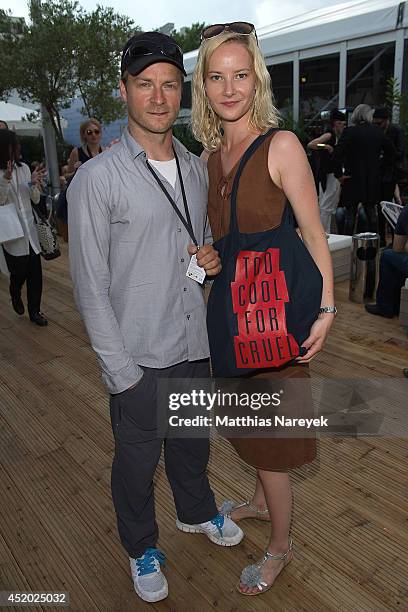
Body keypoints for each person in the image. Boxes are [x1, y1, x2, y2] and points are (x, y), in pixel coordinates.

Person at [68, 31, 243, 605]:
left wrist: (209, 258)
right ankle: (141, 544)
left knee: (193, 446)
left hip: (193, 344)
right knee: (137, 465)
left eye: (170, 84)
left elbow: (202, 243)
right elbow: (89, 285)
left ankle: (196, 513)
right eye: (146, 84)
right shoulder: (96, 179)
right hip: (138, 356)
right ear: (125, 91)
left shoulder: (196, 169)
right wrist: (122, 373)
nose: (160, 96)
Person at [191, 22, 335, 596]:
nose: (230, 88)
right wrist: (209, 255)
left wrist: (326, 310)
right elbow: (228, 242)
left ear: (258, 79)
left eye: (240, 75)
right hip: (232, 314)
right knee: (249, 424)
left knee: (271, 440)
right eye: (217, 77)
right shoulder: (211, 157)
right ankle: (255, 500)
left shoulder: (282, 145)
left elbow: (315, 234)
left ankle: (280, 546)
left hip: (273, 318)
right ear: (204, 85)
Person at [0, 129, 47, 325]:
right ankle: (15, 291)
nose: (18, 148)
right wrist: (6, 180)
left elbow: (34, 198)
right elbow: (1, 202)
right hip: (12, 232)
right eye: (15, 144)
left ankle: (35, 312)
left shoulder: (26, 168)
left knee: (35, 273)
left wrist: (34, 184)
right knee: (19, 273)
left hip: (30, 230)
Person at [332, 104, 396, 236]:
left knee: (350, 216)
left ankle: (348, 247)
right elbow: (392, 152)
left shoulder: (350, 132)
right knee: (372, 214)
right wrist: (380, 167)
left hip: (352, 179)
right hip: (371, 179)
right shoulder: (377, 132)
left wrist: (339, 175)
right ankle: (373, 247)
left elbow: (336, 155)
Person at [365, 204, 408, 318]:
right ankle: (398, 304)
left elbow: (398, 247)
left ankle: (385, 306)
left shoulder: (405, 212)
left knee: (388, 255)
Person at [307, 109, 346, 233]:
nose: (343, 127)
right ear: (336, 123)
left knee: (326, 205)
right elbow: (312, 144)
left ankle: (325, 232)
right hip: (329, 173)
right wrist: (325, 146)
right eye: (342, 124)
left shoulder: (334, 136)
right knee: (326, 205)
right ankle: (323, 233)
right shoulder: (330, 135)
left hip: (327, 173)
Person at [372, 107, 405, 244]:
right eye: (375, 124)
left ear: (386, 121)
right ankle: (384, 239)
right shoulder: (379, 132)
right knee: (381, 208)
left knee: (391, 207)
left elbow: (400, 153)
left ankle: (394, 237)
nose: (377, 126)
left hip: (392, 174)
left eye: (379, 123)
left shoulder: (395, 131)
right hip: (381, 173)